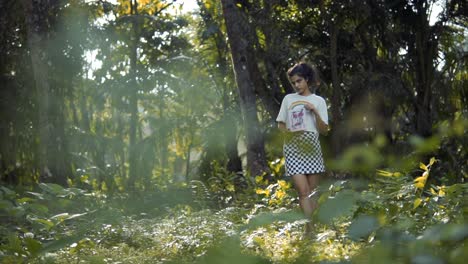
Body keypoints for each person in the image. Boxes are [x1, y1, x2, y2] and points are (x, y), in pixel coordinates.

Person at [276, 62, 329, 232]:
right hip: (293, 147)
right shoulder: (288, 99)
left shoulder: (318, 101)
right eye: (293, 83)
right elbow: (281, 125)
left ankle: (311, 228)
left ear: (307, 79)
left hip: (312, 146)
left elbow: (324, 130)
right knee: (303, 191)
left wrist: (314, 111)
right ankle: (310, 227)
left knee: (313, 191)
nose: (296, 85)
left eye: (299, 81)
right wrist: (289, 134)